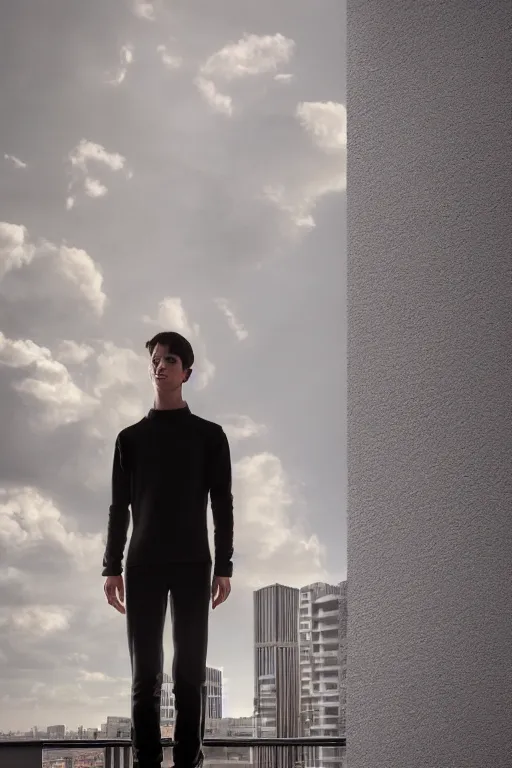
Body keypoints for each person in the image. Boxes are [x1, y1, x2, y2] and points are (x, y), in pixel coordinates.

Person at [102, 331, 234, 768]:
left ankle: (187, 763)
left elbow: (223, 505)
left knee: (189, 677)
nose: (160, 365)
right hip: (142, 566)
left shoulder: (210, 437)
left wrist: (225, 565)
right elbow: (118, 507)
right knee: (144, 678)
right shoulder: (129, 439)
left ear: (187, 373)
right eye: (155, 359)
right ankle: (145, 763)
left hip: (195, 564)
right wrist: (111, 567)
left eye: (170, 359)